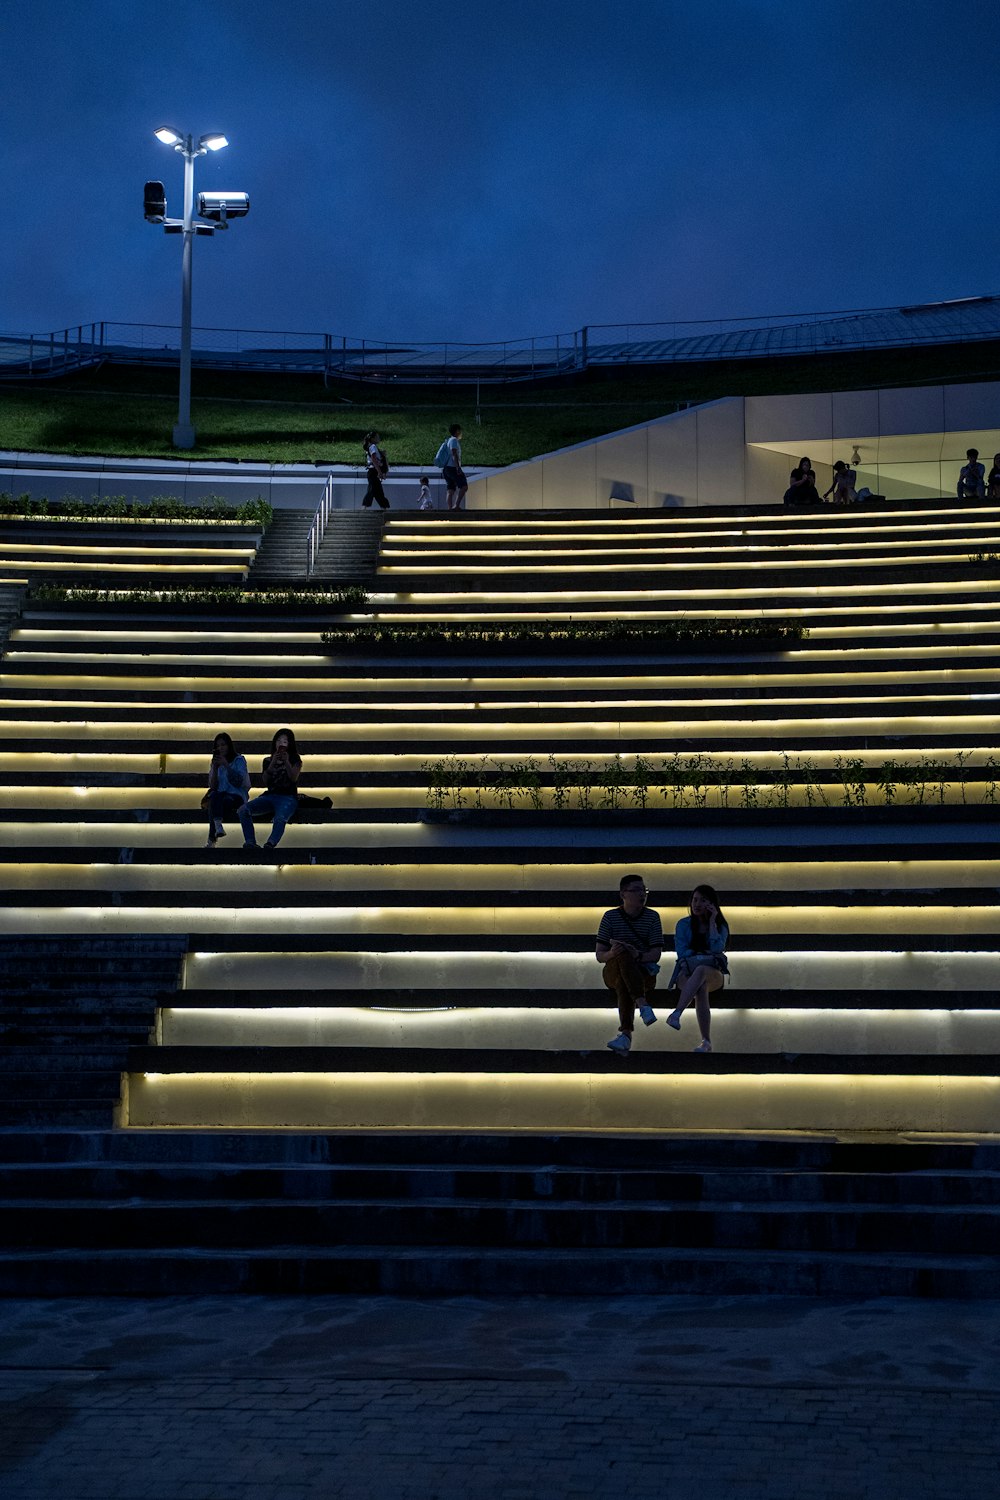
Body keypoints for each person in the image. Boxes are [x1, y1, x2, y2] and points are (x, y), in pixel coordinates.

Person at [597, 874, 664, 1056]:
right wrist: (614, 953)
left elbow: (656, 954)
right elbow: (600, 955)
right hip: (613, 969)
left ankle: (625, 1034)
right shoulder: (610, 917)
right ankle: (642, 1003)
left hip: (643, 973)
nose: (642, 894)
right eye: (636, 890)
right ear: (623, 894)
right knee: (622, 955)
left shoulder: (652, 917)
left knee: (623, 981)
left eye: (644, 890)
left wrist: (638, 954)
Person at [665, 884, 730, 1054]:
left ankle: (677, 1013)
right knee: (700, 986)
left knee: (701, 971)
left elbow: (717, 949)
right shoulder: (683, 924)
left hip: (712, 973)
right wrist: (701, 953)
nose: (697, 904)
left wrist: (712, 922)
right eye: (694, 900)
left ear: (712, 904)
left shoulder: (720, 925)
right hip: (686, 971)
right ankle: (706, 1041)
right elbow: (681, 952)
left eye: (703, 900)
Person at [239, 728, 302, 852]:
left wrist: (286, 761)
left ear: (290, 744)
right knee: (243, 809)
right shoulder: (267, 760)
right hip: (270, 795)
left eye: (284, 741)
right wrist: (273, 762)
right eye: (278, 740)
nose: (281, 743)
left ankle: (271, 843)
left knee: (280, 817)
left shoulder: (295, 760)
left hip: (288, 797)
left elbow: (293, 777)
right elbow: (266, 780)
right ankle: (250, 841)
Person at [204, 732, 249, 849]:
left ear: (229, 745)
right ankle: (218, 826)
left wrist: (227, 765)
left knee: (217, 802)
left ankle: (211, 839)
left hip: (237, 796)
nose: (220, 748)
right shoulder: (215, 763)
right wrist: (215, 767)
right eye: (218, 746)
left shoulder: (239, 760)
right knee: (215, 796)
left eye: (223, 745)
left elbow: (239, 782)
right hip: (220, 797)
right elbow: (213, 786)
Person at [442, 423, 468, 511]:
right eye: (460, 431)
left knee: (450, 489)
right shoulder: (453, 440)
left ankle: (450, 509)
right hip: (452, 467)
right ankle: (456, 506)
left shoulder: (449, 440)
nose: (461, 433)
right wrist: (458, 467)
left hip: (447, 469)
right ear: (457, 431)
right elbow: (454, 454)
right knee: (464, 486)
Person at [362, 431, 389, 509]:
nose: (379, 438)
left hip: (373, 471)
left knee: (377, 490)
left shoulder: (373, 447)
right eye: (377, 437)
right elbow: (374, 459)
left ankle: (384, 507)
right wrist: (379, 472)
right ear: (373, 439)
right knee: (372, 490)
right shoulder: (373, 446)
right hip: (373, 471)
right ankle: (364, 507)